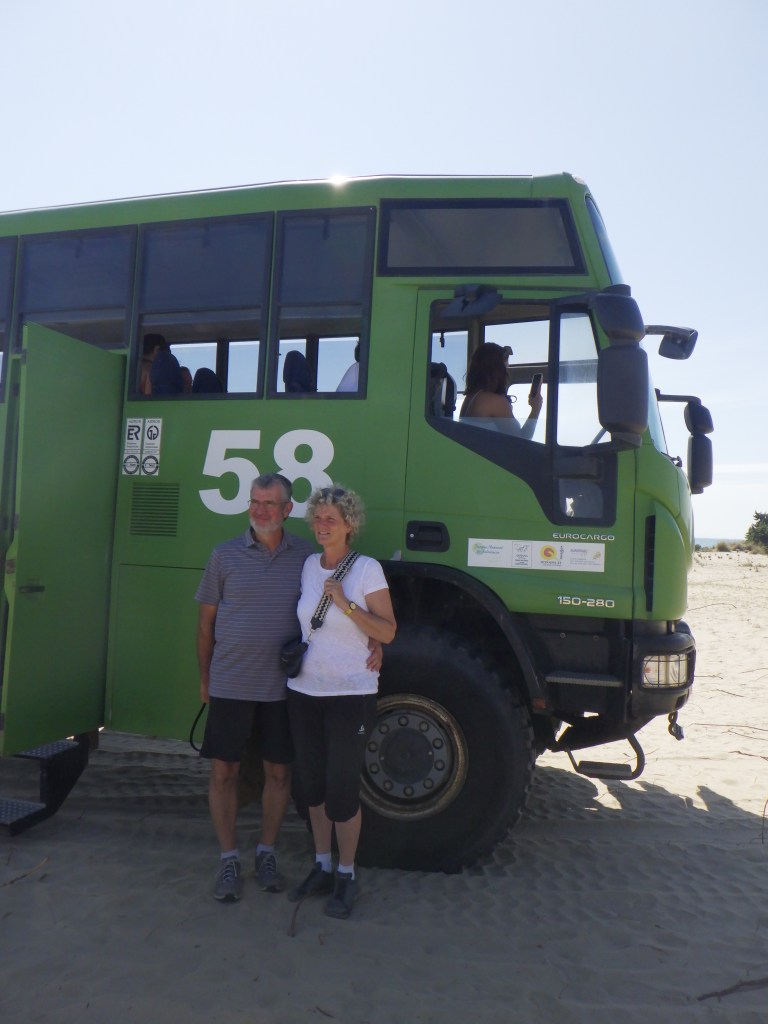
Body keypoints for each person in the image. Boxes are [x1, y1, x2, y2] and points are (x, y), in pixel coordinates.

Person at [195, 473, 314, 903]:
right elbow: (205, 625)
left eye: (269, 504)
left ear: (287, 509)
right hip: (230, 683)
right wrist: (205, 678)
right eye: (254, 502)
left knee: (279, 774)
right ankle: (228, 859)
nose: (260, 511)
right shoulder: (223, 555)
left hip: (283, 689)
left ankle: (266, 853)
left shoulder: (307, 558)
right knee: (223, 772)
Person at [287, 486, 396, 919]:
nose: (322, 525)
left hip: (350, 695)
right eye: (317, 518)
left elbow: (387, 631)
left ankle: (347, 874)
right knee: (312, 787)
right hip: (305, 693)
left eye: (331, 519)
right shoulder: (308, 566)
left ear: (349, 525)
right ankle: (322, 866)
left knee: (342, 789)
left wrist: (346, 605)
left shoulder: (367, 569)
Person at [459, 342, 542, 439]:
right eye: (505, 369)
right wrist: (536, 408)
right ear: (498, 371)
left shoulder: (471, 397)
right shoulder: (494, 401)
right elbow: (521, 441)